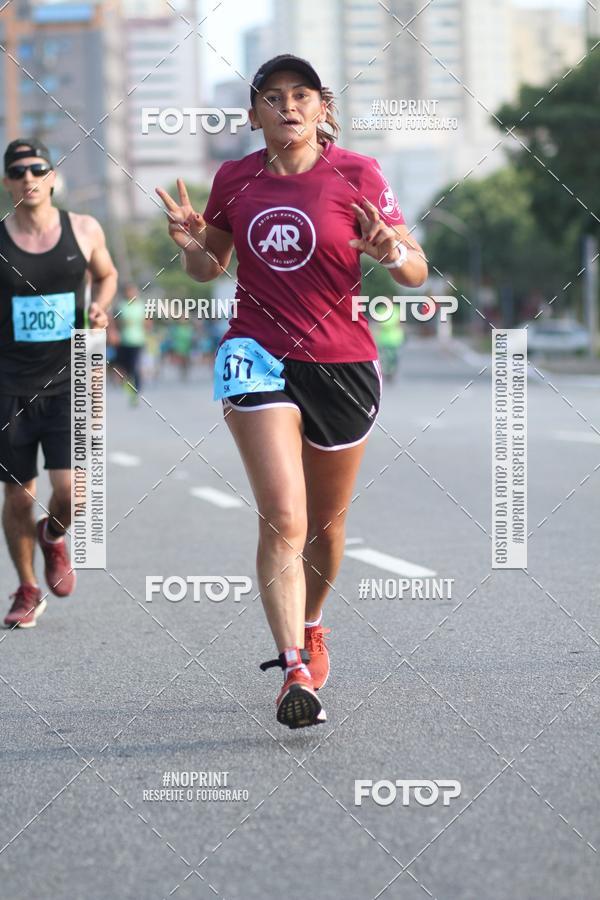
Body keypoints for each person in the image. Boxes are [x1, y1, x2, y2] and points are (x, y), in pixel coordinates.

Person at [157, 55, 428, 728]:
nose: (288, 106)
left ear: (322, 106)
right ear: (252, 115)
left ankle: (311, 624)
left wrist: (390, 249)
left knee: (327, 529)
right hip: (255, 352)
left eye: (301, 94)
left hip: (342, 362)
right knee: (285, 516)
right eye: (272, 97)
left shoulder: (358, 175)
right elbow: (209, 266)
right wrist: (192, 244)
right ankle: (292, 670)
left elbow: (417, 271)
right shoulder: (234, 177)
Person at [0, 138, 117, 628]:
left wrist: (101, 305)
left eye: (37, 169)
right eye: (19, 171)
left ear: (51, 176)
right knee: (16, 495)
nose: (29, 178)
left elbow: (107, 275)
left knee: (73, 492)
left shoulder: (84, 229)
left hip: (72, 378)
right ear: (8, 183)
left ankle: (54, 535)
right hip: (9, 384)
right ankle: (27, 589)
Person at [114, 283, 146, 403]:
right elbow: (115, 322)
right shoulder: (121, 306)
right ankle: (129, 389)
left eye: (133, 292)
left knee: (135, 367)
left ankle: (136, 391)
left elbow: (147, 322)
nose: (131, 294)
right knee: (124, 368)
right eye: (129, 292)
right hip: (123, 341)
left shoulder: (141, 306)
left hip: (138, 340)